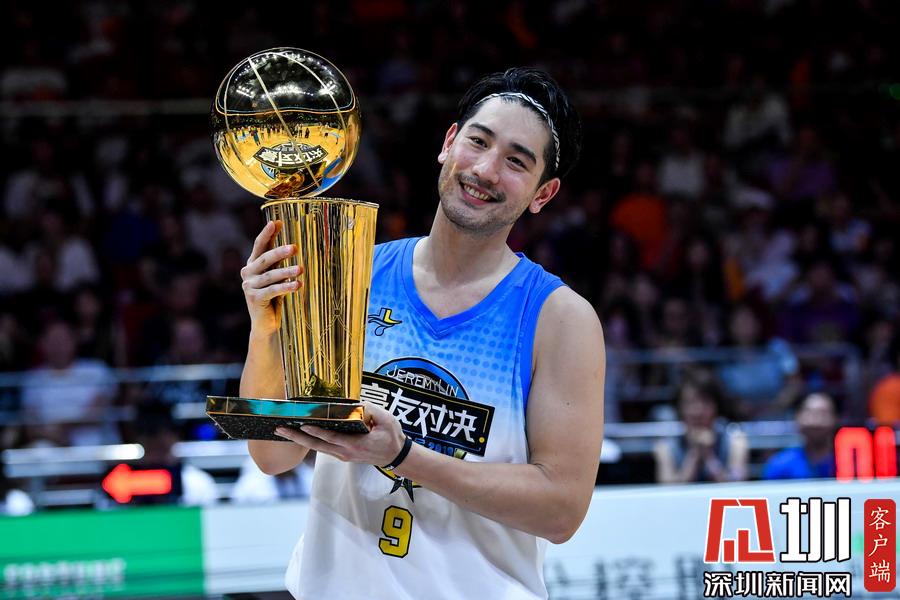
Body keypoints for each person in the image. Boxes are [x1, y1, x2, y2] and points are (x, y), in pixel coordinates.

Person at [239, 68, 605, 599]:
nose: (485, 169)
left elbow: (561, 510)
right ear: (449, 142)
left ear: (542, 194)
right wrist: (266, 326)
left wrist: (403, 455)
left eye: (516, 161)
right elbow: (272, 456)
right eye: (478, 141)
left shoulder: (560, 318)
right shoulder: (353, 273)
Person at [654, 370, 748, 484]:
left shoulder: (736, 441)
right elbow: (668, 490)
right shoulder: (665, 447)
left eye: (705, 402)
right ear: (679, 408)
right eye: (690, 403)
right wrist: (694, 454)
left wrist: (709, 456)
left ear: (716, 405)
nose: (697, 410)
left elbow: (736, 485)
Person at [762, 393, 838, 480]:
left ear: (835, 419)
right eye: (810, 413)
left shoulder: (847, 462)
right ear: (798, 418)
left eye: (823, 414)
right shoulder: (780, 464)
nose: (816, 421)